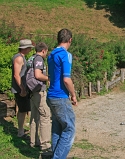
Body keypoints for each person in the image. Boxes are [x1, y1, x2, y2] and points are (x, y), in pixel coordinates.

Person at [46, 28, 77, 159]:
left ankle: (55, 154)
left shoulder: (51, 55)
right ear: (70, 40)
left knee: (57, 128)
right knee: (69, 129)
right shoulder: (65, 55)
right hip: (60, 97)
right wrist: (73, 95)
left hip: (51, 96)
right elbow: (66, 79)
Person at [29, 42, 51, 152]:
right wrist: (47, 78)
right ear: (43, 50)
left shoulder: (31, 58)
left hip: (31, 91)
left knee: (34, 116)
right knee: (45, 115)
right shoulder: (39, 59)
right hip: (38, 91)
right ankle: (45, 144)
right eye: (46, 52)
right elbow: (38, 75)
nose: (46, 54)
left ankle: (33, 141)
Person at [11, 39, 34, 138]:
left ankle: (21, 129)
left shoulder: (21, 57)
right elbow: (17, 75)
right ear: (25, 48)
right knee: (22, 109)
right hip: (20, 89)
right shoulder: (19, 58)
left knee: (23, 109)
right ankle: (20, 132)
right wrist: (22, 88)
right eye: (29, 48)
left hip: (22, 88)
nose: (30, 49)